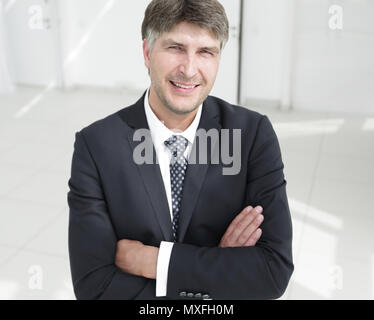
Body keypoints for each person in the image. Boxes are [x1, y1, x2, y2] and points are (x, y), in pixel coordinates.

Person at [67, 0, 294, 300]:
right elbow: (94, 288)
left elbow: (272, 271)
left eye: (206, 52)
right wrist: (216, 272)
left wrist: (157, 262)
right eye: (175, 48)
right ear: (147, 53)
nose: (189, 69)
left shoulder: (252, 136)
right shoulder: (96, 146)